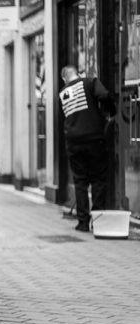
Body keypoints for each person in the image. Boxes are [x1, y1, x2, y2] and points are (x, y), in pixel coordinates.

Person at [58, 65, 115, 232]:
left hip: (73, 142)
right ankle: (98, 222)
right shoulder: (90, 82)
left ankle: (83, 222)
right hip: (94, 138)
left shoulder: (62, 94)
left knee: (80, 182)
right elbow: (104, 95)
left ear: (64, 79)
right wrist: (111, 113)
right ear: (78, 74)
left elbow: (64, 118)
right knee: (98, 179)